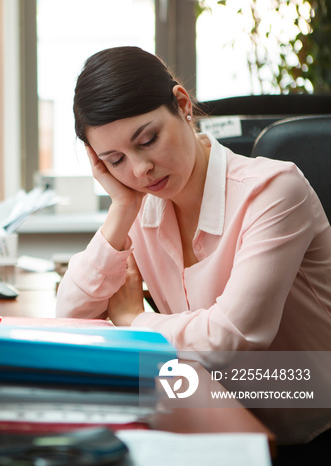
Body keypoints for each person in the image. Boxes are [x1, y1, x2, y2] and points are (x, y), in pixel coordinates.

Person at [55, 46, 331, 459]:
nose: (139, 170)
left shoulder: (274, 191)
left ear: (182, 105)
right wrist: (122, 208)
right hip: (208, 413)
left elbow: (229, 338)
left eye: (147, 140)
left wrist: (134, 319)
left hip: (305, 425)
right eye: (115, 160)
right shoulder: (141, 202)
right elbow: (70, 317)